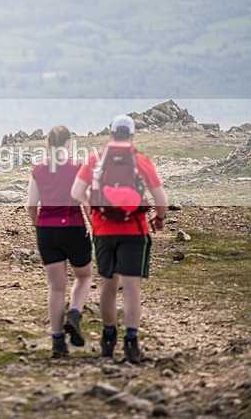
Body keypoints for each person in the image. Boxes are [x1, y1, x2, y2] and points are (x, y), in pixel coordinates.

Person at [71, 114, 167, 363]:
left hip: (104, 231)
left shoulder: (95, 159)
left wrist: (92, 214)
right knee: (132, 287)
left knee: (108, 286)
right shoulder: (141, 161)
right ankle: (132, 341)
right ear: (132, 136)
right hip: (135, 231)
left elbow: (76, 192)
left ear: (110, 134)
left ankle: (108, 337)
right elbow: (161, 199)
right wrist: (159, 218)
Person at [27, 125, 93, 358]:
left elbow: (31, 205)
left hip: (47, 231)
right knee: (84, 276)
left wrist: (38, 225)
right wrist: (96, 227)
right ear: (68, 144)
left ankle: (57, 341)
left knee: (56, 287)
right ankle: (74, 314)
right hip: (73, 228)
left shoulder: (39, 169)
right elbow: (86, 202)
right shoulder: (77, 167)